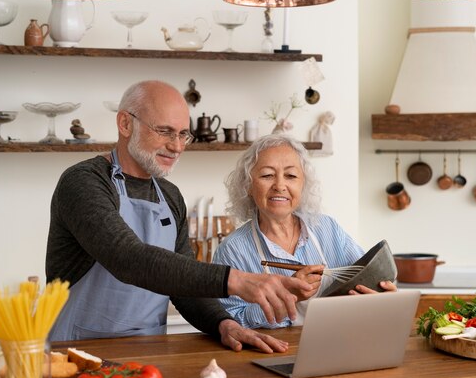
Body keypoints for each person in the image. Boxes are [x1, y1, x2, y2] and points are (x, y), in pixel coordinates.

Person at [46, 80, 311, 352]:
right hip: (76, 351)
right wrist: (237, 280)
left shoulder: (170, 196)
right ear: (125, 124)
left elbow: (183, 288)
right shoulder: (83, 182)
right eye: (165, 131)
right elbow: (126, 257)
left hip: (149, 354)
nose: (177, 146)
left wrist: (224, 323)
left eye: (183, 134)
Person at [213, 134, 397, 329]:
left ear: (302, 184)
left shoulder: (327, 228)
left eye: (291, 176)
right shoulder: (232, 250)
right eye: (267, 175)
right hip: (274, 354)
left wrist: (383, 296)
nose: (280, 186)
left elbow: (367, 275)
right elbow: (229, 322)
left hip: (341, 342)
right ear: (248, 185)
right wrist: (289, 296)